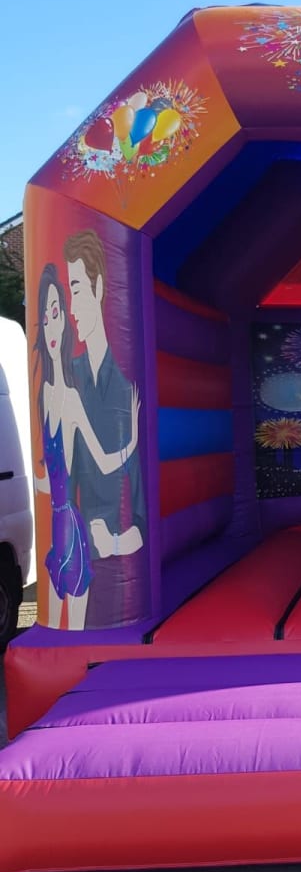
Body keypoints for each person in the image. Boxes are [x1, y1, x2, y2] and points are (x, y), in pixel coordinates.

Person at [33, 264, 141, 629]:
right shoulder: (47, 394)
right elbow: (52, 480)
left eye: (56, 313)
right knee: (56, 627)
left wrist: (132, 441)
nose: (52, 325)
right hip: (57, 528)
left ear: (64, 322)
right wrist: (35, 483)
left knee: (75, 626)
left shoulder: (74, 399)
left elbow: (105, 462)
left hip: (72, 529)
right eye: (45, 317)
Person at [63, 229, 146, 628]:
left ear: (97, 290)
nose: (72, 308)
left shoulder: (128, 383)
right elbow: (66, 479)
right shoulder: (72, 377)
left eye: (77, 290)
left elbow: (142, 515)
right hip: (80, 562)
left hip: (116, 563)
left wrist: (113, 541)